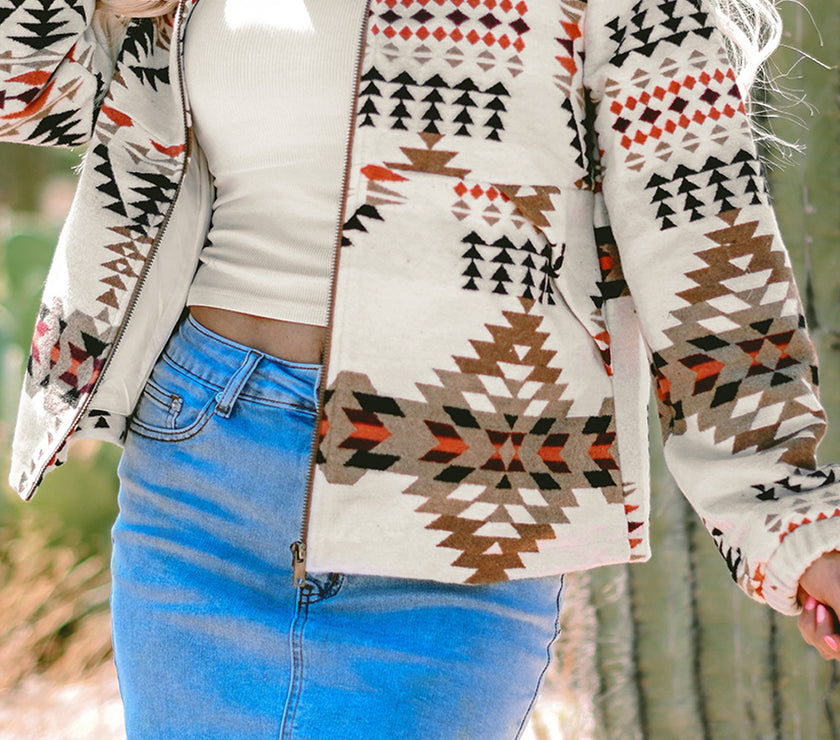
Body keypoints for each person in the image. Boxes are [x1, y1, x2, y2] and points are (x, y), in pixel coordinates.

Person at [3, 0, 840, 736]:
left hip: (472, 493)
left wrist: (794, 517)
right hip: (203, 468)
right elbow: (24, 93)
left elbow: (702, 230)